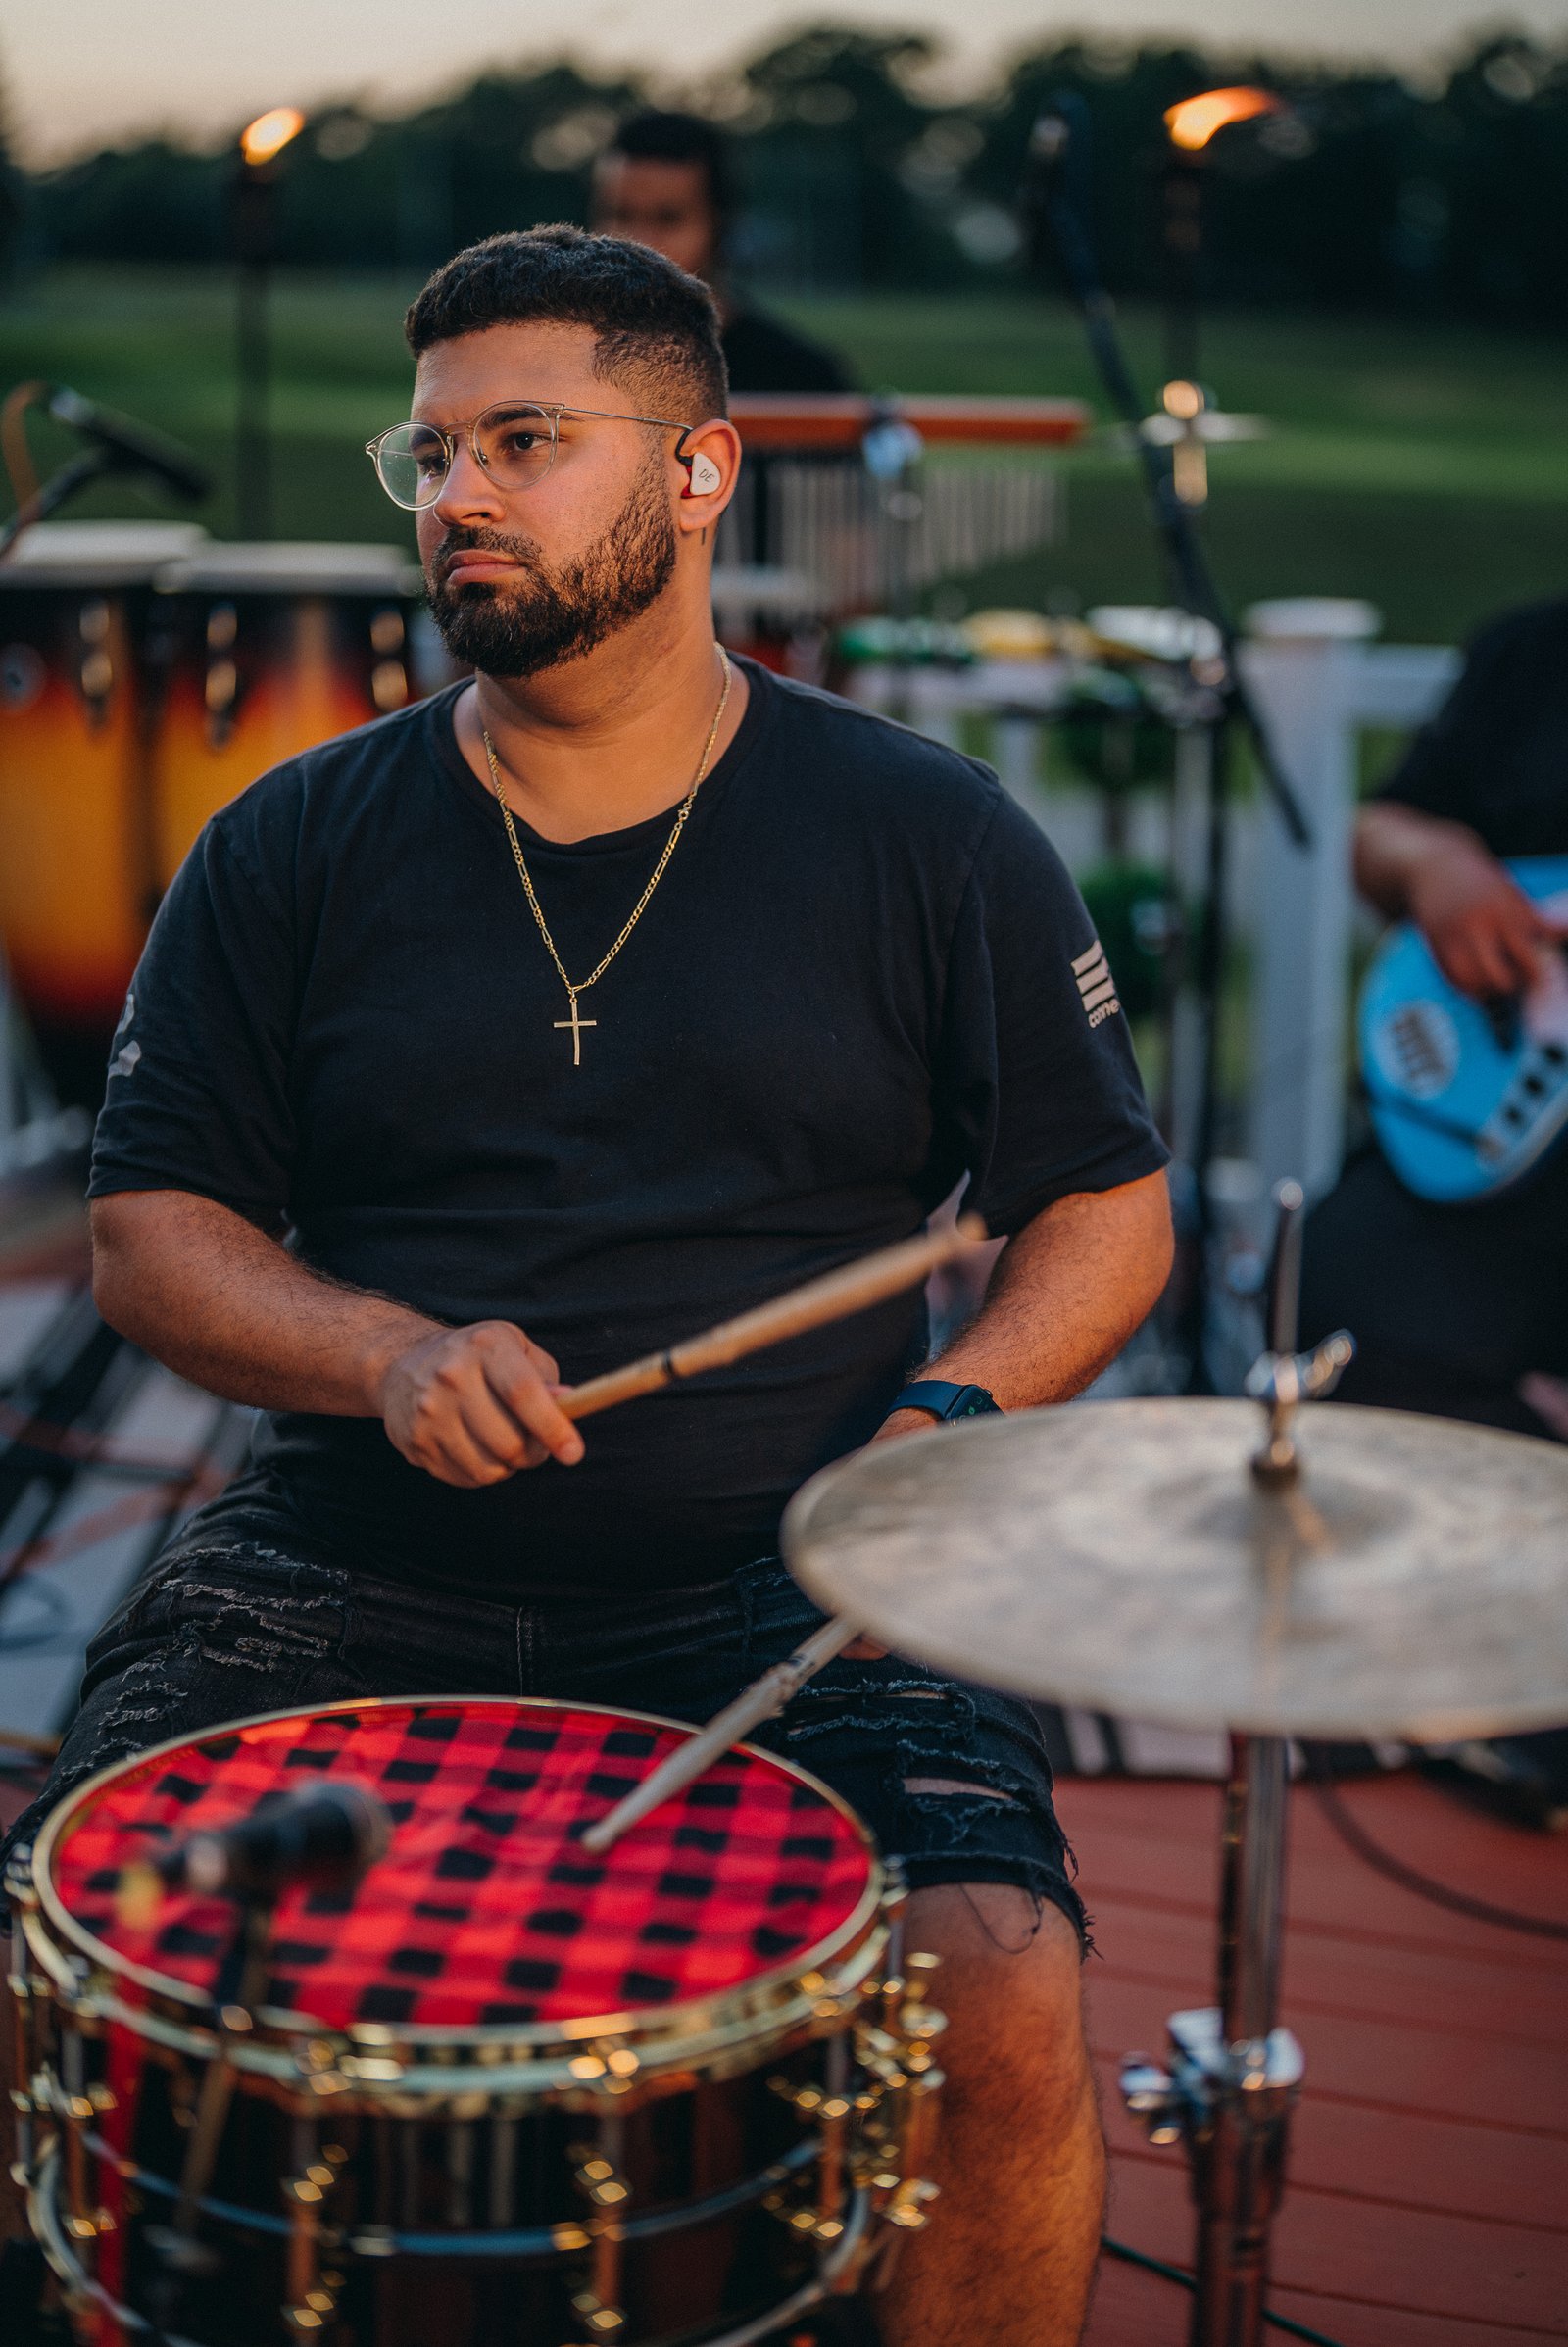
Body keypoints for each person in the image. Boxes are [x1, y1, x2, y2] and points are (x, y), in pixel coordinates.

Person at [0, 226, 1173, 2344]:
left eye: (521, 442)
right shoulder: (292, 843)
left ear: (701, 473)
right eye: (428, 449)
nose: (452, 494)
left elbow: (1100, 1206)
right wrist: (385, 1349)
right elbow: (154, 1234)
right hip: (346, 1562)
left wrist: (942, 1427)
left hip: (795, 1586)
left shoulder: (924, 834)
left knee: (995, 1996)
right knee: (54, 1947)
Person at [1298, 595, 1568, 1824]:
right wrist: (1431, 863)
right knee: (1343, 1309)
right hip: (1502, 1130)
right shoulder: (1535, 646)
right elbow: (1385, 826)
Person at [591, 108, 854, 394]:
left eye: (668, 218)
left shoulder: (799, 379)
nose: (638, 242)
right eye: (621, 214)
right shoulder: (565, 364)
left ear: (720, 225)